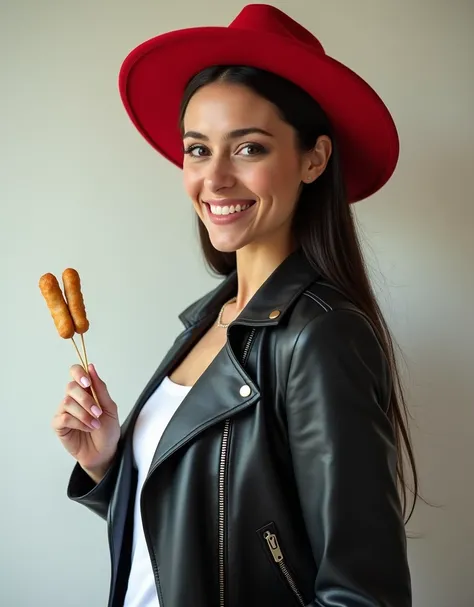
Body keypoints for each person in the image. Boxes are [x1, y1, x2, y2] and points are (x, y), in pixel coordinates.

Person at [52, 4, 418, 606]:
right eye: (198, 149)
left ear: (313, 159)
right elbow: (195, 541)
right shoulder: (208, 319)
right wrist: (108, 467)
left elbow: (363, 595)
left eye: (248, 149)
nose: (215, 179)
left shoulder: (321, 337)